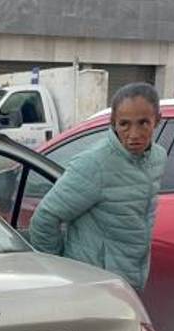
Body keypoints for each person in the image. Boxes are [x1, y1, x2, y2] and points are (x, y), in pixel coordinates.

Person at [27, 83, 166, 291]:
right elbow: (44, 218)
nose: (134, 133)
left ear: (157, 120)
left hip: (130, 280)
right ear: (113, 123)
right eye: (125, 124)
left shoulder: (158, 157)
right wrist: (60, 270)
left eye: (143, 123)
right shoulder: (95, 163)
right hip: (91, 284)